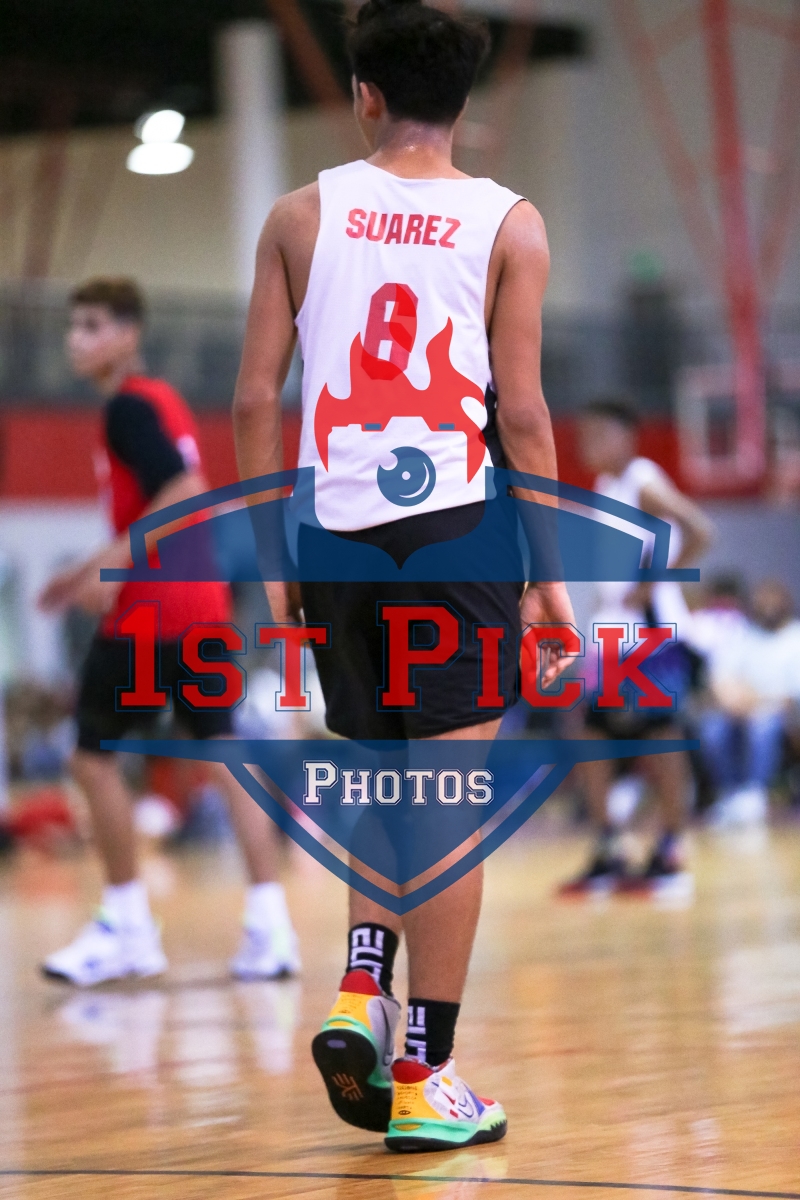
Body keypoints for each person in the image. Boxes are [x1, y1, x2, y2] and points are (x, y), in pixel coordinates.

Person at [232, 0, 575, 1152]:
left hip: (333, 535)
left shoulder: (297, 215)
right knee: (447, 810)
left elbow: (253, 399)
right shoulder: (509, 222)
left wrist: (271, 562)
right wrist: (551, 579)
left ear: (363, 95)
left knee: (380, 785)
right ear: (461, 102)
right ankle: (425, 1072)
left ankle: (356, 993)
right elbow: (520, 415)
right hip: (456, 533)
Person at [38, 277, 299, 986]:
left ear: (128, 335)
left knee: (91, 760)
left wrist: (114, 565)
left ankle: (126, 926)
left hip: (151, 609)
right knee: (224, 755)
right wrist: (84, 570)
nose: (76, 339)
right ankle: (272, 928)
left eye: (92, 326)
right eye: (74, 326)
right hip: (202, 606)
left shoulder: (127, 406)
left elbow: (183, 492)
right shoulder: (164, 400)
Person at [559, 395, 713, 898]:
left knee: (660, 738)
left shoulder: (643, 479)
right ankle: (610, 845)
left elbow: (700, 530)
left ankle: (672, 847)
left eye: (599, 434)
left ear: (626, 437)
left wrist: (653, 583)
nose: (588, 444)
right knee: (591, 733)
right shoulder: (605, 487)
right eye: (584, 436)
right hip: (614, 633)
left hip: (652, 635)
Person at [700, 579, 800, 827]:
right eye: (762, 602)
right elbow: (720, 677)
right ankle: (729, 793)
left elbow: (790, 695)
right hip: (738, 709)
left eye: (773, 602)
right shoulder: (742, 634)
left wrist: (756, 702)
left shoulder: (795, 637)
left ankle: (755, 794)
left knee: (763, 726)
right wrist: (733, 699)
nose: (767, 607)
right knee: (712, 728)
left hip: (778, 713)